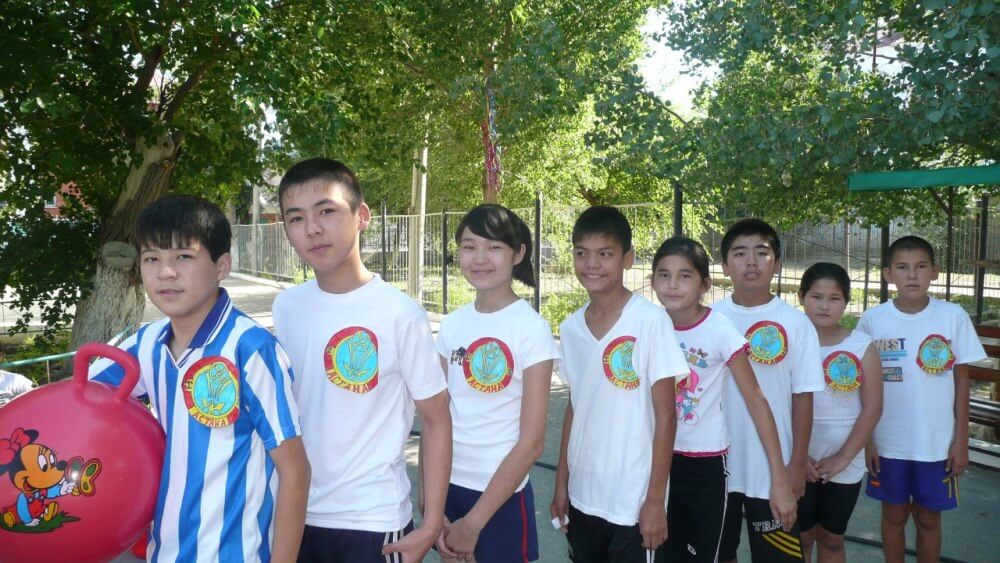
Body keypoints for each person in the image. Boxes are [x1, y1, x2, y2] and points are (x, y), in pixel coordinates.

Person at [89, 195, 309, 562]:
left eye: (183, 257)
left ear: (222, 265)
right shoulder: (146, 343)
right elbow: (78, 399)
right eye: (151, 259)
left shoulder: (251, 349)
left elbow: (295, 471)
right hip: (164, 553)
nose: (166, 272)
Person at [271, 157, 452, 563]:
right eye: (296, 218)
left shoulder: (400, 313)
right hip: (293, 510)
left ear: (362, 216)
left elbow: (437, 418)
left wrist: (430, 525)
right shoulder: (286, 308)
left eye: (326, 211)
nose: (312, 228)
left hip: (373, 520)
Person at [549, 206, 689, 562]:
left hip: (632, 500)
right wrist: (562, 482)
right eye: (582, 253)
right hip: (582, 494)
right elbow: (575, 407)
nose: (591, 264)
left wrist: (655, 499)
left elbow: (667, 417)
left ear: (627, 259)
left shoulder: (650, 321)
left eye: (605, 254)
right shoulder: (570, 328)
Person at [650, 236, 797, 562]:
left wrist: (780, 480)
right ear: (652, 279)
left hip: (705, 466)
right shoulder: (649, 325)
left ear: (704, 284)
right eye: (663, 275)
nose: (672, 285)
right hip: (655, 461)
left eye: (684, 276)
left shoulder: (719, 330)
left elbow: (757, 401)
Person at [431, 204, 559, 562]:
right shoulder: (452, 325)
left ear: (518, 254)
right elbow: (435, 418)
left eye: (494, 247)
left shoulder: (531, 329)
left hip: (501, 498)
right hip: (448, 487)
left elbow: (532, 442)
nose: (480, 258)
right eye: (469, 246)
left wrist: (474, 523)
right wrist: (431, 502)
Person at [858, 236, 986, 563]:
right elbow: (864, 385)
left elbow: (962, 382)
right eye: (902, 267)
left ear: (935, 271)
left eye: (920, 267)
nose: (912, 275)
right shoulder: (873, 320)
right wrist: (868, 441)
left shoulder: (952, 316)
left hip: (936, 444)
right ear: (888, 274)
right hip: (888, 444)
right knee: (894, 516)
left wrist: (961, 441)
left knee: (929, 519)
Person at [712, 218, 825, 563]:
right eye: (740, 253)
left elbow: (803, 398)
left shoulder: (797, 323)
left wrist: (796, 465)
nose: (751, 262)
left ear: (776, 264)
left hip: (773, 472)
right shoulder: (709, 319)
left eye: (761, 253)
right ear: (724, 265)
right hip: (715, 470)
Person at [797, 263, 883, 563]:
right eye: (816, 296)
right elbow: (778, 404)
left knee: (832, 538)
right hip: (798, 458)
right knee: (801, 536)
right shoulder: (789, 344)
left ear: (846, 301)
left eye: (834, 298)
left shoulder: (862, 346)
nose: (824, 305)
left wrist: (843, 458)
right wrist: (798, 457)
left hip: (846, 459)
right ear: (801, 297)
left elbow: (873, 407)